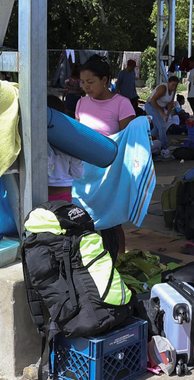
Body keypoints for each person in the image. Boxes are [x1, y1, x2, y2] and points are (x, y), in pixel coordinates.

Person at [75, 55, 137, 257]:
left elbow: (128, 139)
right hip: (84, 173)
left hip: (110, 172)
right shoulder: (81, 103)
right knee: (84, 219)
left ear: (104, 80)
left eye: (90, 82)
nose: (86, 87)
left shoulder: (122, 103)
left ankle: (119, 260)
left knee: (111, 221)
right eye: (82, 82)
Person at [47, 95, 84, 203]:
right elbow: (78, 174)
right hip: (63, 196)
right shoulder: (71, 142)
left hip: (36, 195)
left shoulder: (34, 140)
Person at [145, 75, 179, 160]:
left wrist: (167, 114)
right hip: (151, 105)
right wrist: (161, 112)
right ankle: (165, 146)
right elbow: (153, 100)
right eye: (172, 85)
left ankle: (146, 140)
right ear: (168, 83)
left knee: (157, 127)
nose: (174, 87)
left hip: (160, 107)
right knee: (162, 126)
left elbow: (171, 103)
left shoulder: (173, 90)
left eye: (175, 85)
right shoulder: (163, 88)